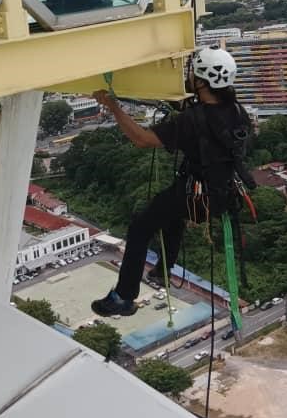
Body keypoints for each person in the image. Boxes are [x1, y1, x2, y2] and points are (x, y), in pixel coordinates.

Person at [91, 46, 253, 317]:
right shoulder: (238, 112)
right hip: (222, 194)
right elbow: (209, 123)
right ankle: (163, 270)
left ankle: (124, 296)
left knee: (141, 227)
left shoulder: (191, 120)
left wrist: (114, 107)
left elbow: (142, 140)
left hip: (193, 193)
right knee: (170, 214)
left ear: (201, 81)